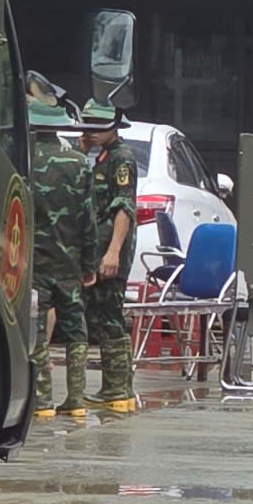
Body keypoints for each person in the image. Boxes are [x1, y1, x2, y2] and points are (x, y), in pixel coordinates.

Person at [25, 99, 97, 415]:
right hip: (70, 262)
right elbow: (88, 219)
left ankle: (41, 400)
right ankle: (77, 399)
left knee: (37, 329)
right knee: (75, 329)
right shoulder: (79, 163)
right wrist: (90, 264)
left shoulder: (22, 161)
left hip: (32, 262)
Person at [75, 101, 138, 409]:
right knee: (101, 316)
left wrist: (113, 252)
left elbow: (124, 208)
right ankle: (118, 388)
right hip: (96, 249)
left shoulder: (121, 159)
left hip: (109, 252)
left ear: (114, 126)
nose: (92, 131)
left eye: (99, 126)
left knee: (109, 316)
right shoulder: (98, 156)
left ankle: (117, 389)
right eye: (88, 125)